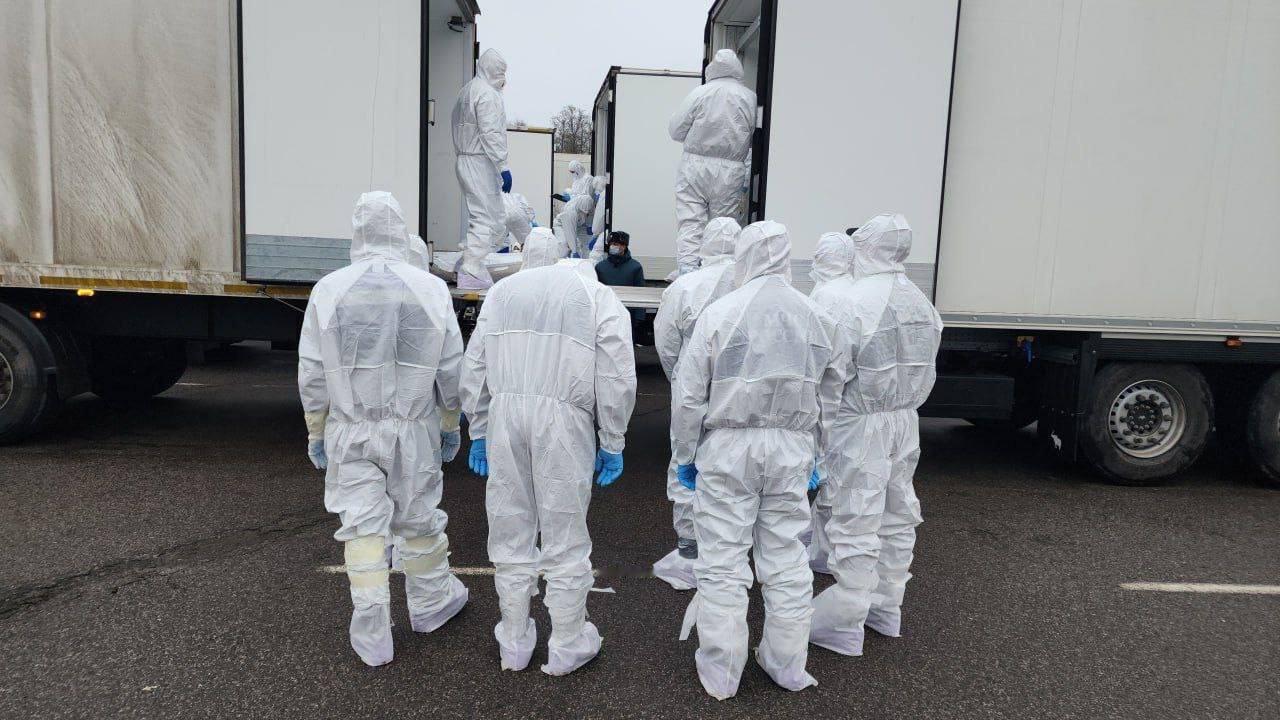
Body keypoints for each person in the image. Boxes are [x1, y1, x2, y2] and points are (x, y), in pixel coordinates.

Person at [672, 220, 846, 700]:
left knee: (723, 559)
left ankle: (722, 671)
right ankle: (786, 663)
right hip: (793, 446)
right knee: (786, 556)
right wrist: (819, 453)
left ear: (742, 256)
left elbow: (689, 396)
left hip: (729, 446)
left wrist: (685, 453)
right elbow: (831, 397)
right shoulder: (817, 317)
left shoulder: (720, 313)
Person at [298, 192, 468, 667]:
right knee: (417, 517)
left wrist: (316, 429)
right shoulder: (429, 288)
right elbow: (451, 366)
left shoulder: (329, 289)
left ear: (358, 230)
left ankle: (372, 630)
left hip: (350, 428)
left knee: (362, 526)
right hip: (412, 429)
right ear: (399, 227)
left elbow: (312, 371)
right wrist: (450, 421)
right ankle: (431, 604)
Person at [460, 230, 638, 676]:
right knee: (564, 530)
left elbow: (475, 364)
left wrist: (478, 428)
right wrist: (612, 438)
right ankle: (567, 643)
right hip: (563, 420)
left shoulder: (501, 293)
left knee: (510, 525)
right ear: (560, 256)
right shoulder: (591, 293)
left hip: (505, 417)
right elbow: (616, 372)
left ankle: (514, 641)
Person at [807, 214, 943, 657]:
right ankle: (886, 607)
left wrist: (819, 437)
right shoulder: (921, 302)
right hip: (904, 420)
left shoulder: (852, 302)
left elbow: (831, 377)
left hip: (859, 421)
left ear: (865, 247)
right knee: (897, 511)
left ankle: (845, 621)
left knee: (856, 515)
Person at [651, 217, 740, 590]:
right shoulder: (750, 285)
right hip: (739, 394)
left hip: (692, 391)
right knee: (734, 468)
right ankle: (729, 551)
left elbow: (665, 340)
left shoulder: (685, 287)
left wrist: (681, 377)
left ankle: (689, 553)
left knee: (686, 462)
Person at [668, 48, 755, 278]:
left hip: (694, 166)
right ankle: (719, 276)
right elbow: (755, 137)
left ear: (712, 68)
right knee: (724, 226)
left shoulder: (700, 93)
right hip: (732, 169)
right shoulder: (749, 97)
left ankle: (688, 274)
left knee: (690, 221)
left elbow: (676, 131)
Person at [452, 48, 512, 290]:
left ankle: (468, 259)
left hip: (466, 158)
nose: (503, 78)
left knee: (480, 213)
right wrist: (503, 165)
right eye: (501, 72)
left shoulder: (467, 90)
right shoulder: (487, 94)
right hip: (480, 160)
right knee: (486, 216)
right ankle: (471, 267)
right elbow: (491, 133)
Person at [554, 176, 604, 259]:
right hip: (562, 225)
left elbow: (591, 213)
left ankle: (585, 261)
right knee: (564, 246)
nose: (586, 212)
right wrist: (574, 251)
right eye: (584, 211)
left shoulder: (588, 201)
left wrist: (589, 226)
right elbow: (570, 231)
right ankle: (562, 262)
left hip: (579, 224)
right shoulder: (569, 211)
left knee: (586, 244)